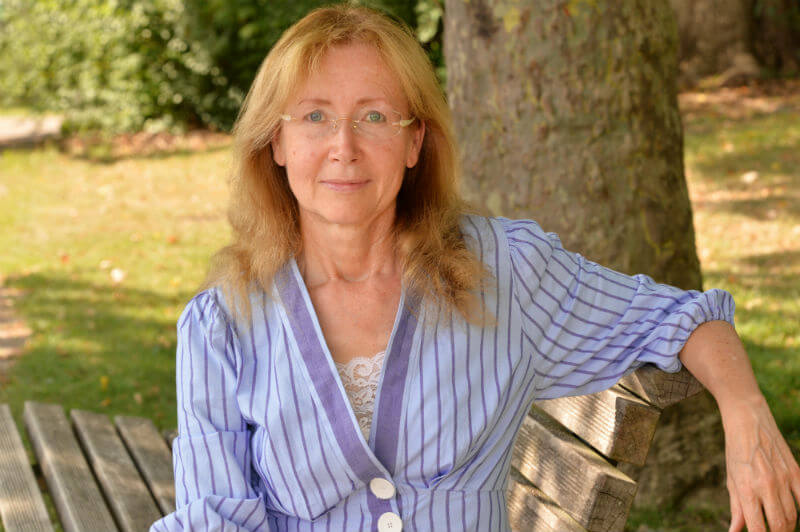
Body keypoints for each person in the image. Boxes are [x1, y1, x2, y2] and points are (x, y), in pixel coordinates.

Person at [150, 5, 800, 532]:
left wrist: (746, 412)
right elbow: (214, 519)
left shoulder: (504, 271)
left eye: (374, 116)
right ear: (277, 141)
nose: (343, 147)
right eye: (315, 116)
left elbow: (681, 318)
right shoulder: (223, 322)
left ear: (414, 141)